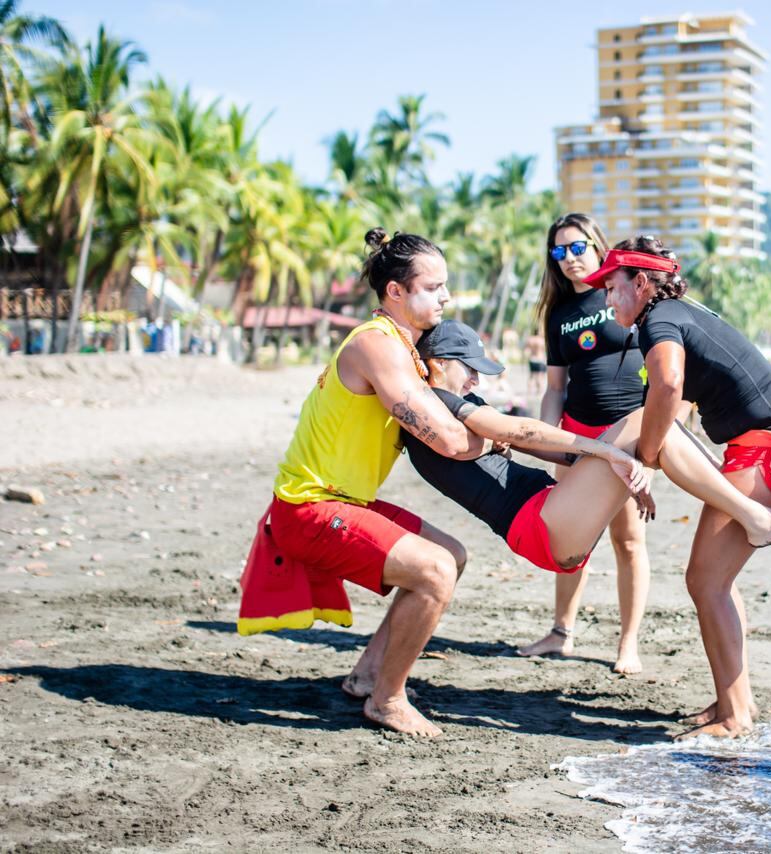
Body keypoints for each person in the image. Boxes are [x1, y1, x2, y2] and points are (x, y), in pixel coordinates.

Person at [588, 235, 771, 740]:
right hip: (767, 440)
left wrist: (649, 460)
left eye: (612, 287)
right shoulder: (678, 312)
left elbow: (669, 386)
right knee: (716, 580)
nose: (608, 300)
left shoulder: (660, 320)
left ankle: (736, 716)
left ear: (640, 282)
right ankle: (731, 701)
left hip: (765, 449)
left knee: (705, 580)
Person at [239, 228, 475, 738]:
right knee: (433, 572)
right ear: (396, 291)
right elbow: (448, 441)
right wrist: (491, 440)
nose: (446, 297)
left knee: (450, 554)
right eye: (434, 287)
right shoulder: (376, 346)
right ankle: (388, 700)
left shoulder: (399, 348)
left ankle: (368, 676)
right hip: (310, 507)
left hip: (344, 500)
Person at [402, 319, 771, 587]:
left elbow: (538, 445)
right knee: (646, 419)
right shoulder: (438, 402)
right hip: (541, 523)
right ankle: (755, 517)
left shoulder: (444, 408)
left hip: (550, 516)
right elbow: (520, 429)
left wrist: (624, 466)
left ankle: (734, 496)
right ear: (438, 362)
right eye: (469, 367)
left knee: (653, 429)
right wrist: (606, 452)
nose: (476, 378)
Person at [518, 213, 654, 674]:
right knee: (568, 542)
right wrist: (546, 440)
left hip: (629, 435)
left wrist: (653, 440)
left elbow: (664, 365)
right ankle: (561, 632)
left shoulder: (623, 292)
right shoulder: (558, 315)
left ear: (597, 246)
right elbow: (555, 387)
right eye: (559, 252)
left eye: (578, 247)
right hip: (577, 435)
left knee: (629, 541)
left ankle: (628, 643)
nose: (570, 259)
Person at [525, 331, 547, 399]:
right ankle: (539, 393)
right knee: (540, 377)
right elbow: (546, 350)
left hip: (532, 359)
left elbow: (526, 350)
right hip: (540, 359)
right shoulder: (542, 340)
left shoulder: (530, 339)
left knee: (531, 376)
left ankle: (529, 392)